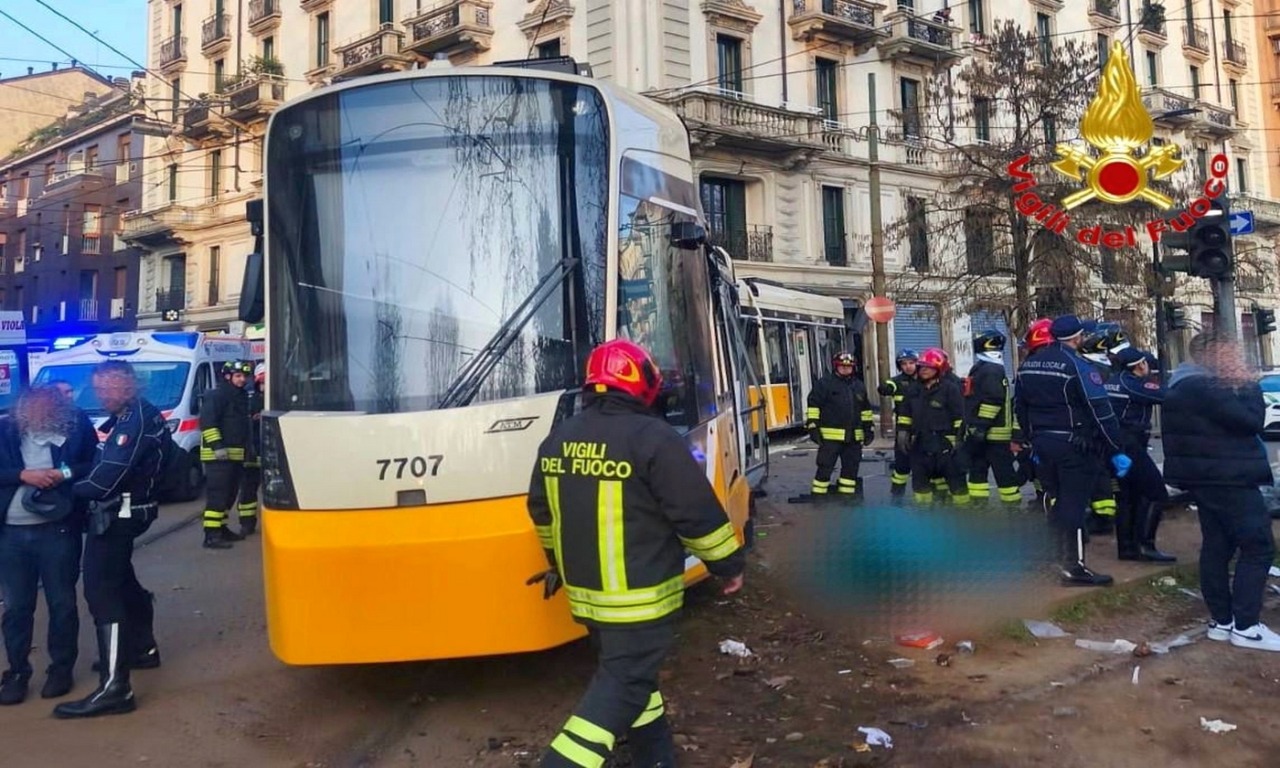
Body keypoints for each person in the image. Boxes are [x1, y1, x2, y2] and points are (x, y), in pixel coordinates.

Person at [528, 339, 745, 767]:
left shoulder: (558, 439)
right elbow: (695, 514)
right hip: (639, 602)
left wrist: (558, 565)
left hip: (588, 600)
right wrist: (729, 566)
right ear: (642, 383)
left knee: (634, 679)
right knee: (623, 686)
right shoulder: (653, 438)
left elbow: (543, 515)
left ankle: (656, 757)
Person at [54, 361, 167, 718]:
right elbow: (100, 464)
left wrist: (63, 491)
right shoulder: (131, 415)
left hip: (117, 514)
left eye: (107, 389)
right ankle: (142, 649)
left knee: (101, 591)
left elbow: (107, 478)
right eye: (98, 388)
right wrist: (67, 473)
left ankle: (115, 687)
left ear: (128, 387)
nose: (100, 395)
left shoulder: (133, 421)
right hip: (128, 512)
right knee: (123, 582)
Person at [1164, 333, 1279, 652]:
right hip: (1228, 477)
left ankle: (1222, 621)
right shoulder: (1204, 387)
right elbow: (1251, 421)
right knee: (1258, 546)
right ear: (1212, 356)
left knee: (1217, 546)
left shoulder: (1184, 383)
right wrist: (1249, 385)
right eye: (1231, 354)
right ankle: (1246, 626)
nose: (1237, 360)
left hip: (1209, 476)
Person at [0, 387, 98, 705]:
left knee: (62, 603)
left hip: (58, 529)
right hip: (12, 533)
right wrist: (22, 474)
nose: (41, 414)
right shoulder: (5, 430)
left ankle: (61, 669)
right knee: (17, 607)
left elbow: (90, 463)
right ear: (23, 410)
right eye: (35, 408)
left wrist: (61, 473)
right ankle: (16, 672)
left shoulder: (75, 425)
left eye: (48, 408)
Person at [1014, 315, 1128, 587]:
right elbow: (1101, 411)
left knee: (1056, 500)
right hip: (1074, 446)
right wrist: (1116, 449)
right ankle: (1074, 567)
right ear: (1078, 337)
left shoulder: (1028, 365)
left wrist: (1033, 440)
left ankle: (1051, 557)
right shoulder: (1079, 366)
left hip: (1043, 444)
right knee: (1073, 506)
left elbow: (1020, 407)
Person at [1105, 347, 1174, 562]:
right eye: (1146, 363)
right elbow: (1166, 395)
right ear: (1139, 365)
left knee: (1128, 497)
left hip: (1115, 445)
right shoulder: (1133, 383)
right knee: (1157, 493)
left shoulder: (1111, 381)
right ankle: (1146, 545)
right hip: (1131, 444)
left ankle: (1127, 548)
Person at [199, 360, 255, 548]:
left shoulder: (241, 397)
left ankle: (222, 529)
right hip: (218, 457)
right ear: (228, 376)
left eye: (244, 376)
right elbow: (207, 423)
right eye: (238, 376)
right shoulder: (217, 396)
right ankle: (211, 535)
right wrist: (217, 446)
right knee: (218, 495)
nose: (242, 380)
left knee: (229, 495)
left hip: (235, 456)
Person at [903, 347, 969, 505]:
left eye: (929, 367)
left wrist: (956, 440)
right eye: (922, 367)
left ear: (938, 369)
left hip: (944, 444)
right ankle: (924, 516)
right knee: (920, 485)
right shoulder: (913, 390)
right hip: (920, 444)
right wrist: (903, 433)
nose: (924, 370)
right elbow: (905, 415)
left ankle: (964, 515)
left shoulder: (949, 389)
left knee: (957, 485)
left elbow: (959, 417)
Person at [805, 351, 875, 499]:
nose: (845, 368)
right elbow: (813, 406)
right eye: (842, 366)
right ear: (836, 366)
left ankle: (847, 498)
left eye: (848, 366)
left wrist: (868, 429)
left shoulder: (859, 386)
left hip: (854, 438)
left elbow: (866, 410)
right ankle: (818, 496)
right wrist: (813, 426)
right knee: (825, 467)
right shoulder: (825, 384)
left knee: (851, 469)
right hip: (830, 438)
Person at [963, 330, 1021, 505]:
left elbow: (993, 399)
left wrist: (980, 425)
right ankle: (979, 505)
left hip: (993, 435)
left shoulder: (990, 369)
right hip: (985, 433)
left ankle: (1012, 508)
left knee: (1003, 474)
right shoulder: (988, 367)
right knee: (977, 471)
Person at [878, 349, 918, 497]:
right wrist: (885, 388)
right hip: (904, 431)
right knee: (902, 466)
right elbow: (887, 386)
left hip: (924, 429)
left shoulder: (925, 379)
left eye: (911, 363)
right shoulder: (897, 382)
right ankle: (897, 497)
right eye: (904, 364)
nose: (908, 367)